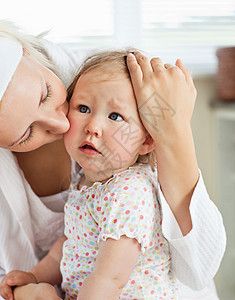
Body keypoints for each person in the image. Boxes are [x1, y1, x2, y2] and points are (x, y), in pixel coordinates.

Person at [0, 20, 226, 300]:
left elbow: (111, 277)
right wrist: (34, 277)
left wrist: (173, 129)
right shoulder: (86, 182)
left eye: (46, 94)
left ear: (147, 141)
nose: (61, 124)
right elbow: (70, 243)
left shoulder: (128, 193)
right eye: (82, 108)